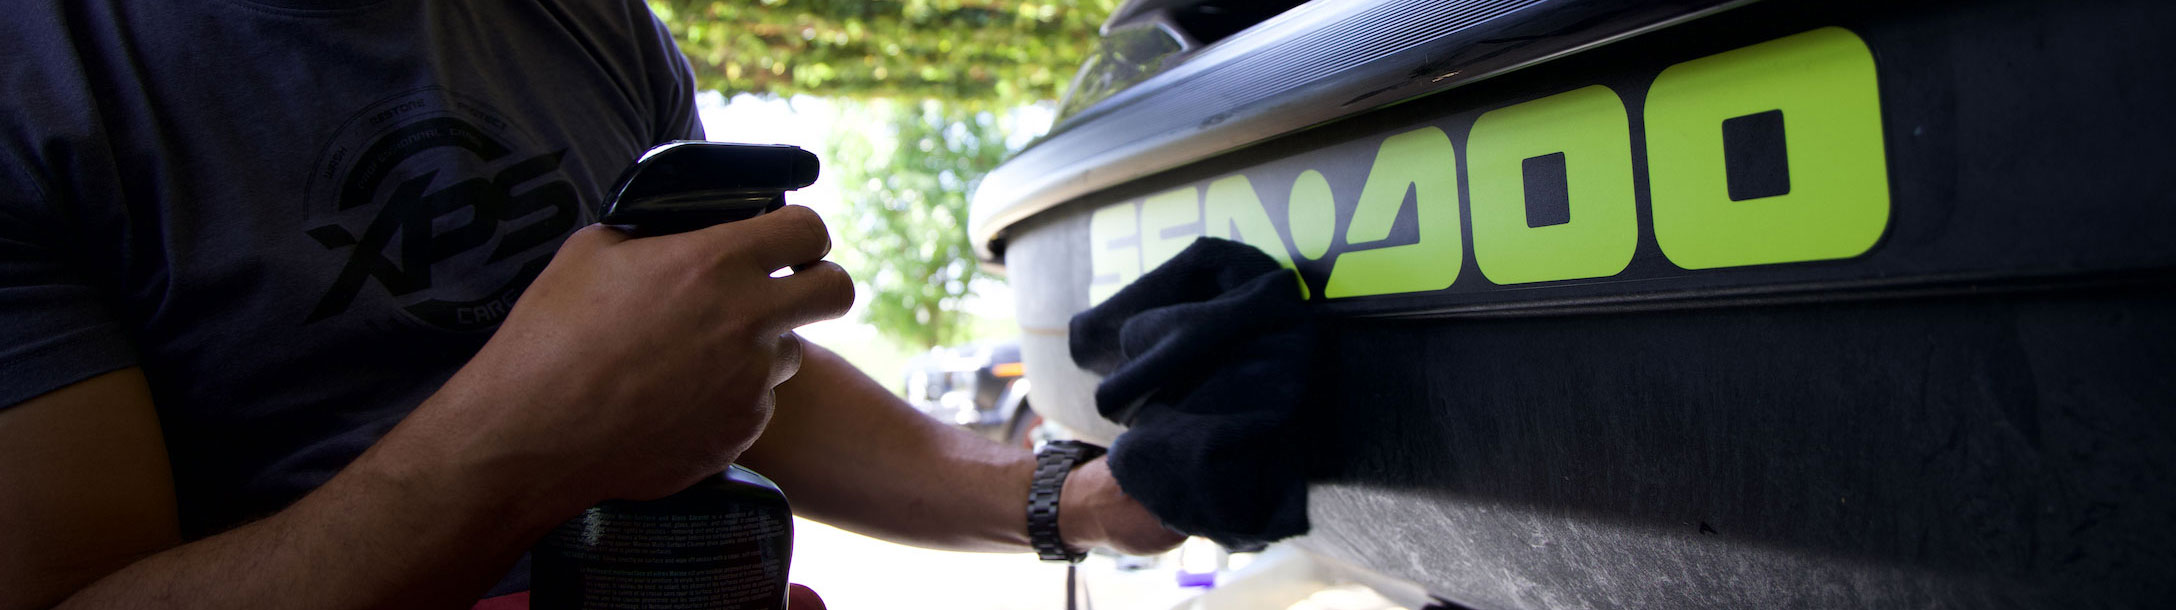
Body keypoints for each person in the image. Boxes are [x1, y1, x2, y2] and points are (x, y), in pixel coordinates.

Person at [0, 1, 1183, 608]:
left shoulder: (586, 21)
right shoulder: (36, 78)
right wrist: (521, 442)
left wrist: (1080, 498)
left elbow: (705, 375)